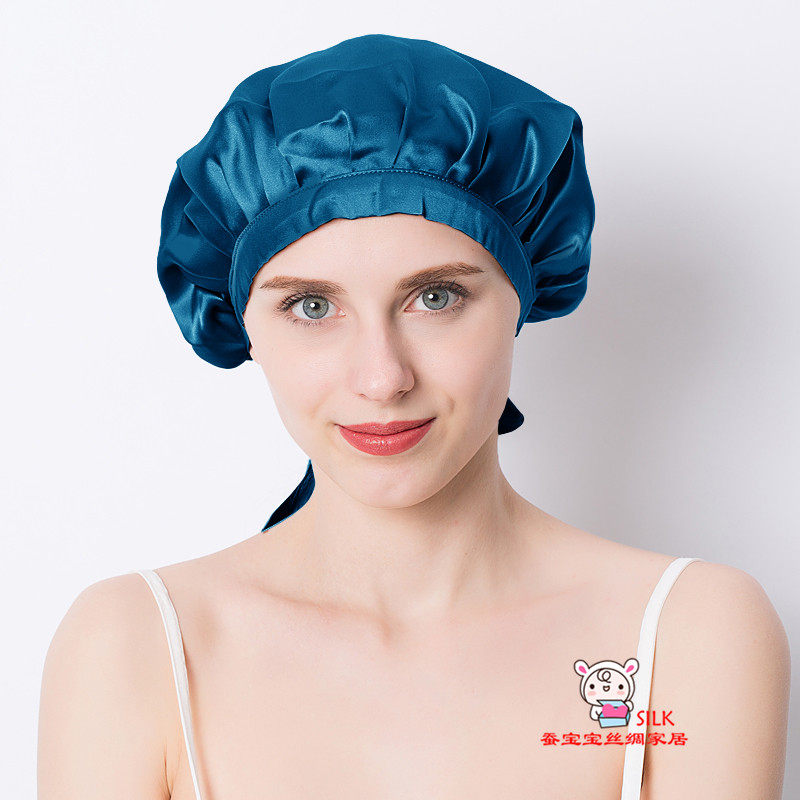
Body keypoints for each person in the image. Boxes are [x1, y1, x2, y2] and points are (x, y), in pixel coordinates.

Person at [37, 34, 790, 799]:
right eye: (311, 306)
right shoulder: (134, 645)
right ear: (241, 327)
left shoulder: (686, 632)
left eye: (436, 297)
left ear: (523, 300)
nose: (382, 378)